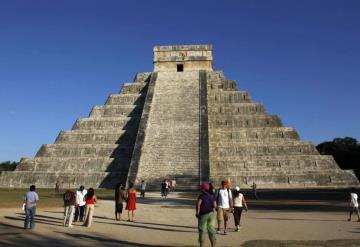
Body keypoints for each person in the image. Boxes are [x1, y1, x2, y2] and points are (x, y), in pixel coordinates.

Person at [196, 182, 217, 247]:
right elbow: (215, 205)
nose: (200, 189)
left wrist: (197, 213)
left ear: (203, 189)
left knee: (202, 230)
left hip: (203, 214)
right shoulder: (212, 196)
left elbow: (198, 204)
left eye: (201, 188)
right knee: (211, 230)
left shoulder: (201, 196)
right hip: (211, 214)